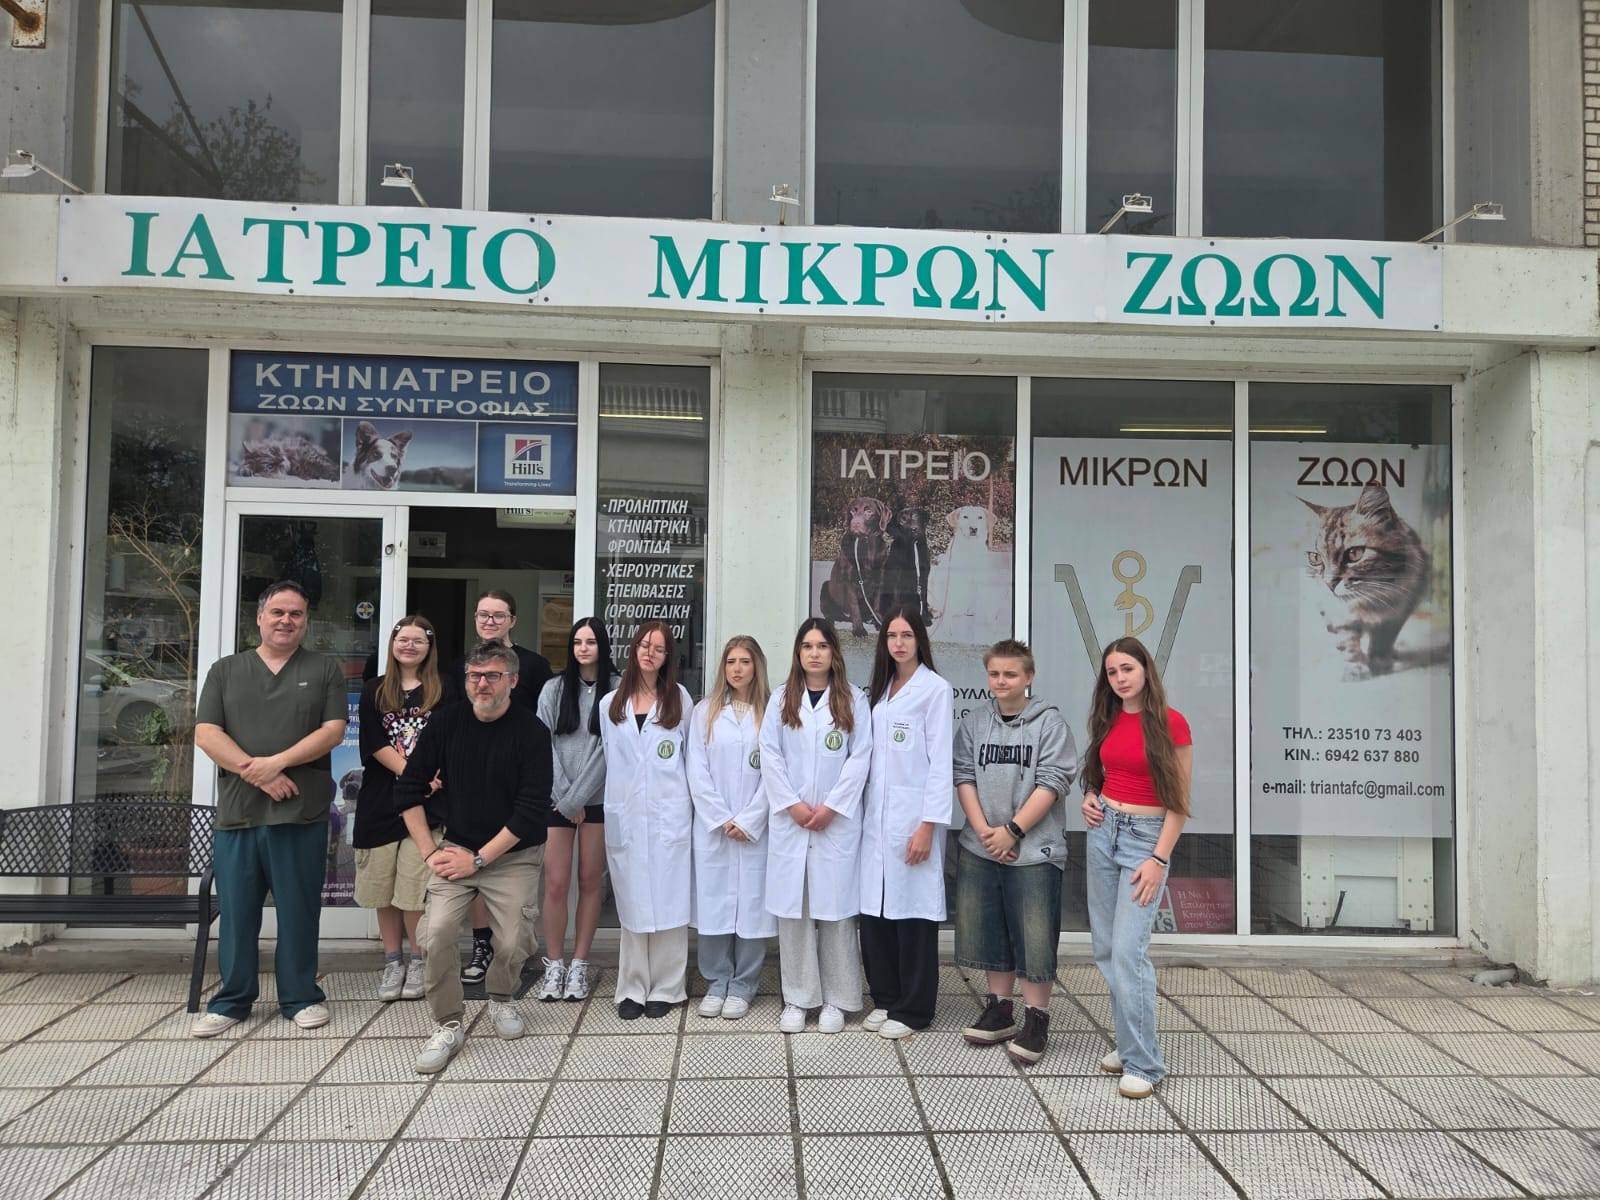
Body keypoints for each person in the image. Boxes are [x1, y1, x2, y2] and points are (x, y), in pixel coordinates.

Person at [191, 580, 347, 1037]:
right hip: (239, 814)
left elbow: (333, 730)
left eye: (296, 614)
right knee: (237, 912)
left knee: (298, 910)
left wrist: (276, 763)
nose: (286, 620)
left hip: (299, 812)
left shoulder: (323, 669)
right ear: (259, 617)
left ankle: (300, 997)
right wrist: (256, 772)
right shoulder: (225, 670)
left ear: (306, 622)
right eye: (277, 612)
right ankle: (231, 1001)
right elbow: (206, 733)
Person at [398, 642, 552, 1074]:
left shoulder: (531, 733)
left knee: (514, 941)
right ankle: (448, 1022)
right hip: (456, 850)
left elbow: (530, 810)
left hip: (514, 854)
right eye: (474, 676)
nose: (482, 684)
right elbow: (407, 790)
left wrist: (480, 861)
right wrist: (430, 851)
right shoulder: (446, 723)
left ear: (513, 681)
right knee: (436, 935)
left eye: (492, 676)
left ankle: (501, 996)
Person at [954, 639, 1076, 1065]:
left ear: (1029, 677)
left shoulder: (1050, 724)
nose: (1001, 681)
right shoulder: (975, 722)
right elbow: (963, 775)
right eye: (994, 674)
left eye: (1010, 674)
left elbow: (1054, 781)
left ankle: (1036, 1017)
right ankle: (1000, 1009)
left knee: (1034, 936)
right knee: (992, 930)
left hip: (1034, 849)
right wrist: (986, 832)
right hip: (983, 846)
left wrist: (1013, 831)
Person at [1080, 636, 1192, 1100]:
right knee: (1107, 948)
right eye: (1112, 672)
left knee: (1129, 951)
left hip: (1145, 841)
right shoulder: (1107, 718)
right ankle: (1130, 1043)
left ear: (1146, 668)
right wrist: (1091, 796)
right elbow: (1103, 774)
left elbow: (1179, 804)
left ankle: (1145, 1063)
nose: (1120, 678)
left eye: (1127, 668)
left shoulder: (1171, 723)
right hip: (1103, 833)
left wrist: (1158, 859)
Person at [759, 618, 870, 1035]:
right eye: (807, 646)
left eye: (822, 645)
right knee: (796, 915)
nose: (815, 653)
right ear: (798, 653)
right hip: (792, 822)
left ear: (833, 652)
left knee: (837, 914)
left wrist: (832, 808)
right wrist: (792, 805)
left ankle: (838, 999)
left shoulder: (854, 699)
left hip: (834, 825)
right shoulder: (780, 699)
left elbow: (861, 758)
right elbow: (769, 755)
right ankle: (798, 998)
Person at [444, 589, 552, 988]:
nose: (490, 622)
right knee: (474, 865)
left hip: (517, 779)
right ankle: (481, 945)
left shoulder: (535, 666)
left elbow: (544, 720)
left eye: (498, 615)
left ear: (513, 620)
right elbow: (453, 721)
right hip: (472, 782)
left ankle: (518, 946)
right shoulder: (462, 666)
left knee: (513, 871)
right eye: (483, 615)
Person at [858, 607, 953, 1040]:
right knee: (877, 913)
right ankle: (885, 998)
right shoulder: (879, 690)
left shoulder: (934, 690)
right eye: (892, 636)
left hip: (913, 821)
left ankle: (914, 1009)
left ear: (920, 640)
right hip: (876, 822)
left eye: (907, 635)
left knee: (913, 915)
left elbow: (940, 764)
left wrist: (928, 826)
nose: (899, 643)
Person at [599, 621, 695, 1019]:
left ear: (667, 656)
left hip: (668, 815)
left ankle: (668, 987)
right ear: (633, 649)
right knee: (633, 903)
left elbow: (690, 758)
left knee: (670, 901)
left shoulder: (679, 699)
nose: (649, 653)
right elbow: (612, 759)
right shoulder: (610, 704)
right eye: (644, 645)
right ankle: (633, 988)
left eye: (658, 648)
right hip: (627, 815)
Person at [354, 616, 448, 1003]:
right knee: (383, 890)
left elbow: (450, 739)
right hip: (380, 802)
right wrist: (415, 776)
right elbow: (374, 743)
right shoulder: (374, 690)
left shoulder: (444, 689)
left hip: (429, 806)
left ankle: (419, 960)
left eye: (417, 640)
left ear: (429, 647)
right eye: (402, 639)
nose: (409, 646)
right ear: (392, 645)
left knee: (414, 890)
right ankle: (393, 961)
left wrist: (430, 777)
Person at [686, 636, 775, 1021]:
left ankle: (743, 986)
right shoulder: (705, 711)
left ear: (757, 666)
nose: (737, 669)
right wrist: (722, 817)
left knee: (753, 908)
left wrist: (750, 819)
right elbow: (696, 769)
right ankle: (716, 980)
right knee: (713, 905)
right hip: (715, 828)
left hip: (755, 828)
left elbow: (776, 773)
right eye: (731, 661)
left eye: (745, 661)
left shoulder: (772, 711)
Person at [533, 619, 616, 1003]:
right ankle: (554, 964)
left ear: (603, 646)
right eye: (578, 642)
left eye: (591, 641)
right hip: (557, 799)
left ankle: (580, 963)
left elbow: (608, 750)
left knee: (590, 882)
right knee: (555, 883)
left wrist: (579, 798)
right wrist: (565, 798)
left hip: (595, 800)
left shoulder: (616, 689)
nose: (583, 648)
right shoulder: (553, 688)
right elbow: (541, 742)